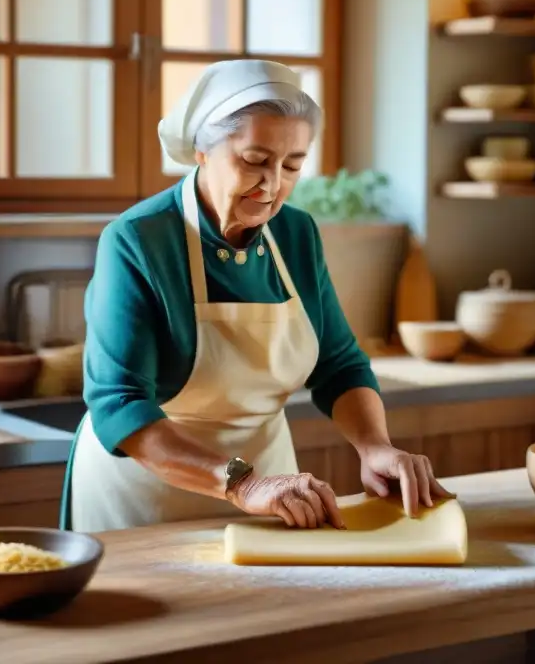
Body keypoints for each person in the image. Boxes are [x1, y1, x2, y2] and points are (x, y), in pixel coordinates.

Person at [60, 59, 452, 533]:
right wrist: (242, 484)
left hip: (274, 493)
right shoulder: (138, 240)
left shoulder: (297, 233)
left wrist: (375, 447)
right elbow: (119, 404)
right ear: (203, 150)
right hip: (144, 497)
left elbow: (340, 365)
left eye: (293, 165)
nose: (272, 186)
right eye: (254, 160)